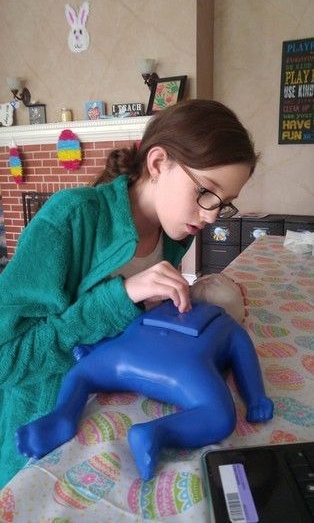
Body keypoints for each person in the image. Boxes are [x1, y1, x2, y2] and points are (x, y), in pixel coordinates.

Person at [0, 99, 257, 488]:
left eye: (223, 205)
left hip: (115, 418)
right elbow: (8, 358)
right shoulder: (68, 220)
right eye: (206, 192)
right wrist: (119, 298)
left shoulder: (173, 236)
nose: (210, 216)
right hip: (42, 435)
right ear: (158, 163)